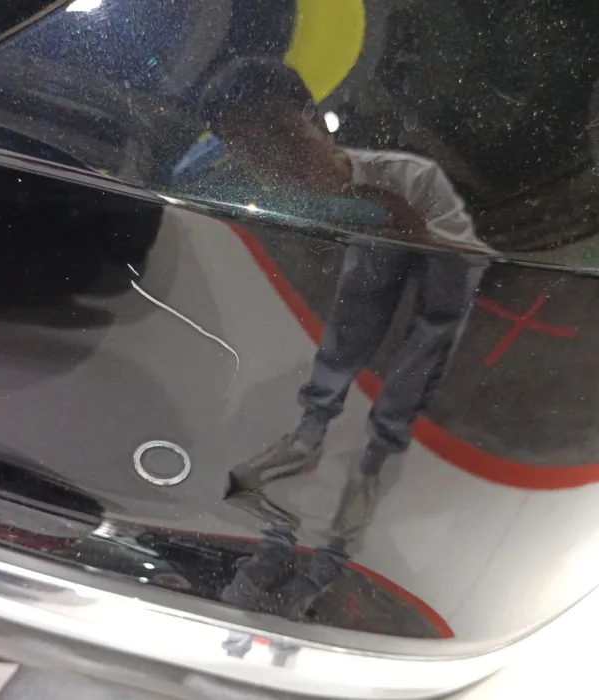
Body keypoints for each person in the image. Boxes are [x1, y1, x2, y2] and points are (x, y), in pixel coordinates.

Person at [198, 57, 490, 493]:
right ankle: (307, 438)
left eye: (279, 130)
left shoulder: (411, 180)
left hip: (406, 354)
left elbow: (466, 279)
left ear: (316, 121)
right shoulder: (249, 217)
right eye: (250, 146)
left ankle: (374, 463)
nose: (273, 156)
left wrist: (410, 231)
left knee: (425, 318)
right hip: (302, 366)